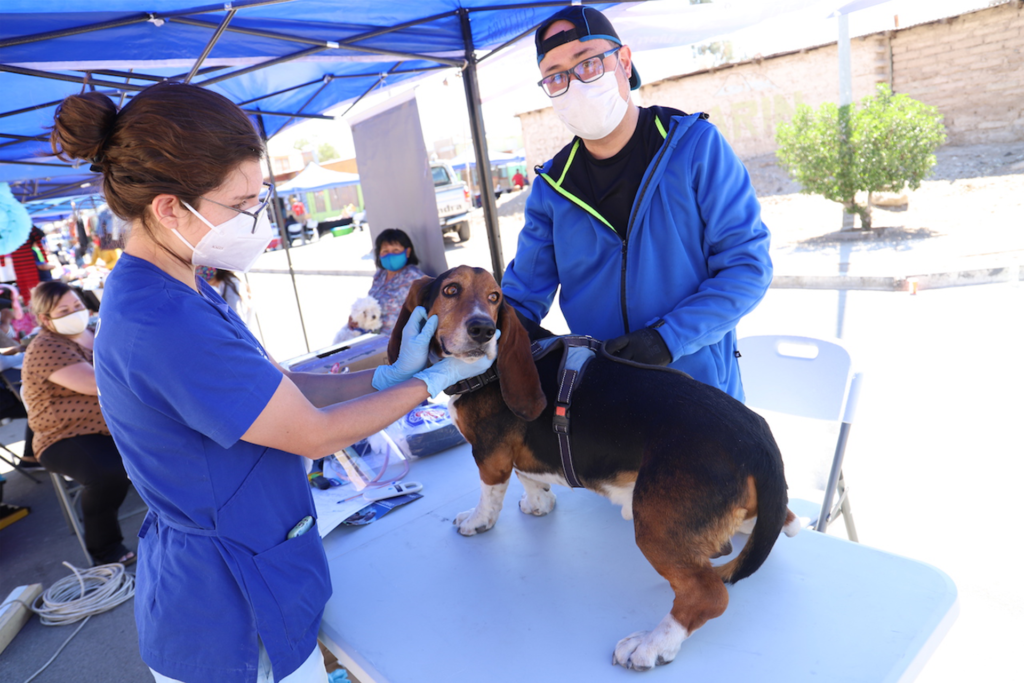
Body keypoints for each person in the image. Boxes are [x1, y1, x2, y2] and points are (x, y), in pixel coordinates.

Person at [51, 82, 495, 683]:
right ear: (169, 208)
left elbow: (280, 389)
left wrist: (386, 375)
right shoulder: (163, 321)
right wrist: (436, 380)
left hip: (250, 562)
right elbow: (312, 434)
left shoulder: (185, 283)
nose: (256, 222)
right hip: (226, 606)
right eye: (240, 206)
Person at [501, 6, 772, 401]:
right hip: (604, 401)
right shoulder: (552, 187)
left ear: (623, 62)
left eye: (589, 64)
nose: (574, 84)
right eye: (556, 77)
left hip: (701, 397)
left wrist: (667, 339)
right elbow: (522, 298)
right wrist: (474, 331)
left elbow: (748, 267)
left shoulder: (694, 147)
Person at [20, 281, 135, 564]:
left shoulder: (94, 332)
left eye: (77, 307)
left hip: (110, 425)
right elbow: (96, 383)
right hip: (63, 436)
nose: (75, 313)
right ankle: (104, 548)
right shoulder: (45, 347)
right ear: (45, 319)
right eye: (64, 310)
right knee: (106, 473)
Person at [344, 228, 426, 339]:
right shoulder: (380, 275)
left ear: (407, 252)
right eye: (385, 251)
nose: (390, 255)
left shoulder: (415, 278)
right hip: (374, 339)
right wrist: (357, 319)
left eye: (395, 250)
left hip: (399, 343)